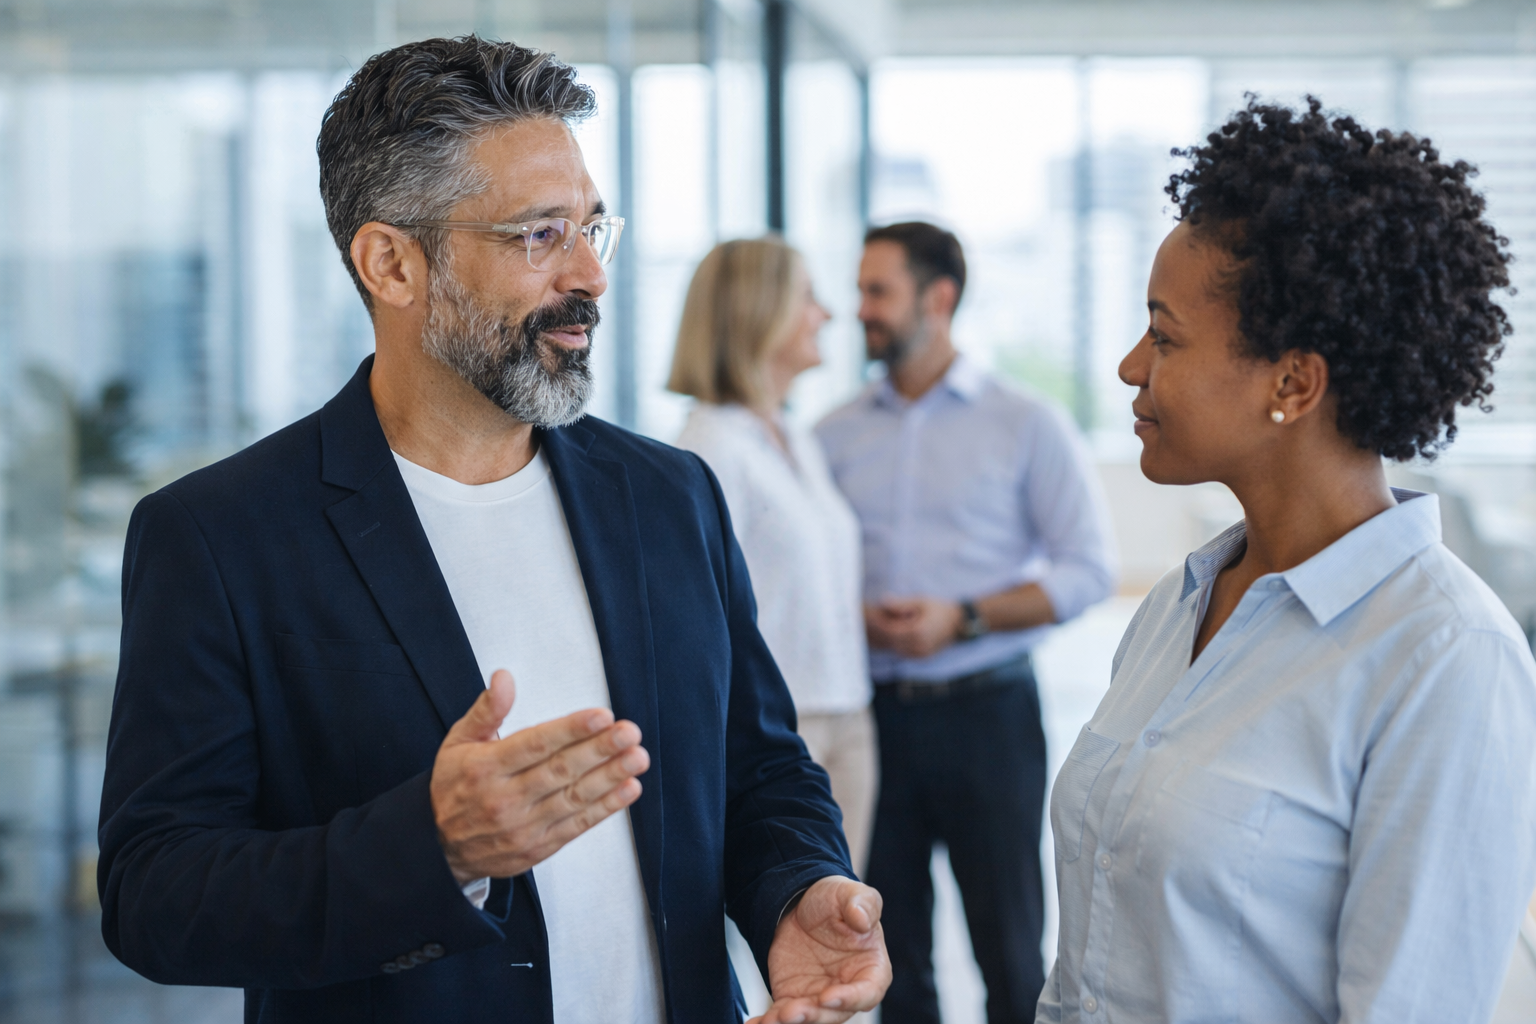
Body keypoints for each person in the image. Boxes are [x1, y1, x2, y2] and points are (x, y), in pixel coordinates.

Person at [97, 36, 890, 1024]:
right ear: (392, 263)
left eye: (593, 227)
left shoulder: (669, 495)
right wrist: (433, 850)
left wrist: (800, 887)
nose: (591, 274)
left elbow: (760, 768)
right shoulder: (223, 536)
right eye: (540, 234)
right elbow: (154, 893)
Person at [1041, 98, 1536, 1024]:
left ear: (1293, 382)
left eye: (1165, 336)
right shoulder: (1177, 606)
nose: (1130, 366)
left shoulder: (1445, 660)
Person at [817, 222, 1117, 1024]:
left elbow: (1088, 569)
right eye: (860, 290)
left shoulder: (1026, 422)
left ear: (938, 298)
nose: (861, 309)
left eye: (878, 291)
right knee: (893, 955)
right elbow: (809, 576)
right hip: (877, 721)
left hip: (989, 717)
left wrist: (966, 618)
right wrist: (856, 618)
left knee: (1011, 949)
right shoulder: (832, 434)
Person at [669, 238, 875, 876]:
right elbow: (695, 616)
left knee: (847, 916)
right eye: (808, 297)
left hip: (847, 710)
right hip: (779, 733)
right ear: (760, 310)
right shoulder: (708, 448)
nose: (827, 314)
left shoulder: (792, 435)